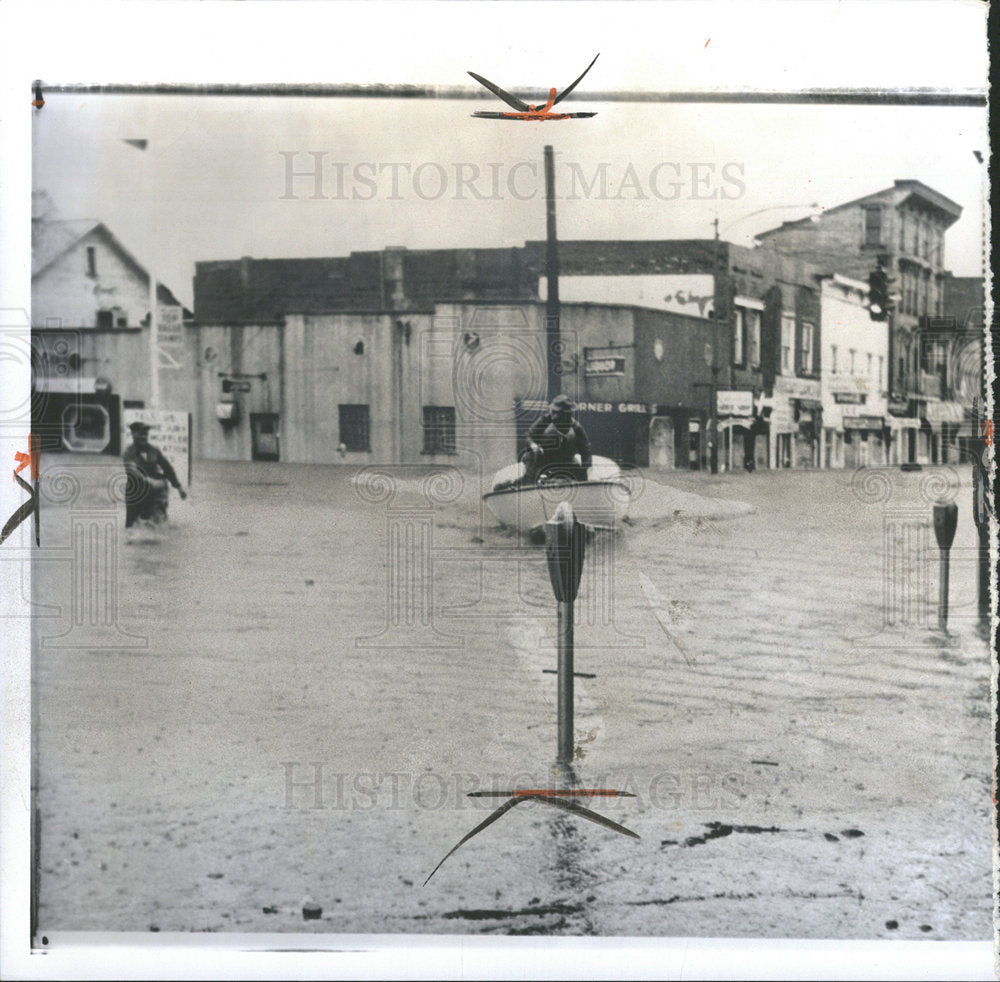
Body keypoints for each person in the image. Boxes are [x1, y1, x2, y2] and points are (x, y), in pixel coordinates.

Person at [122, 421, 187, 527]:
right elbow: (133, 471)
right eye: (141, 434)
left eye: (145, 434)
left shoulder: (154, 450)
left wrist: (178, 487)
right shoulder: (128, 452)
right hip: (136, 493)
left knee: (159, 523)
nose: (144, 437)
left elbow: (167, 468)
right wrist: (150, 481)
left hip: (155, 493)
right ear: (133, 434)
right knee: (133, 526)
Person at [520, 394, 593, 485]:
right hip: (545, 459)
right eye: (553, 411)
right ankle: (529, 484)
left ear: (566, 414)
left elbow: (586, 450)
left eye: (557, 413)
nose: (553, 415)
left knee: (582, 478)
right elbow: (529, 436)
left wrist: (586, 467)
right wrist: (533, 445)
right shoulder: (544, 421)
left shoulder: (576, 427)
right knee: (529, 459)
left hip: (567, 461)